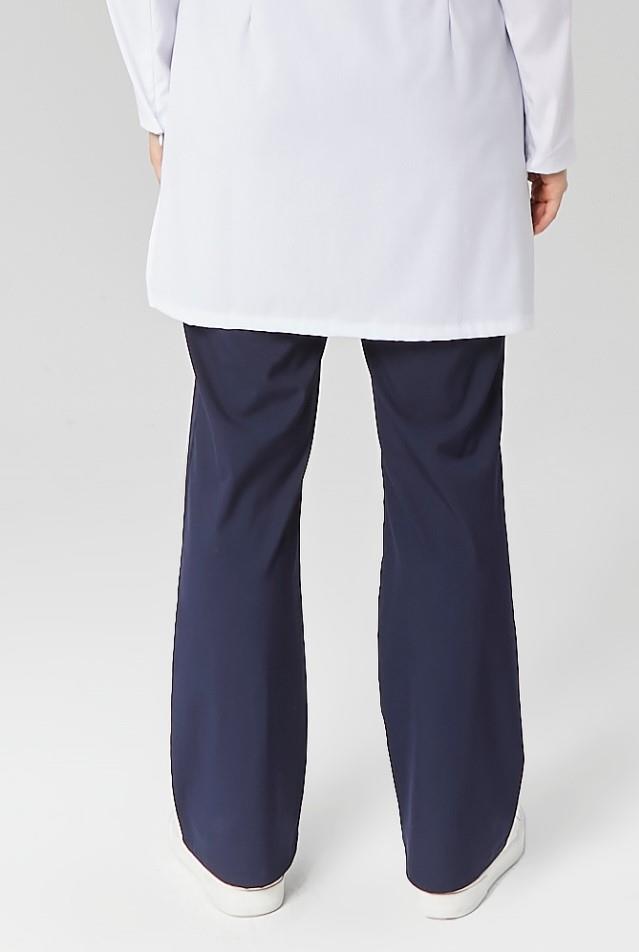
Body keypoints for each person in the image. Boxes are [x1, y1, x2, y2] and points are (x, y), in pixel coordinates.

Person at [105, 0, 575, 919]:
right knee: (445, 479)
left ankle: (234, 849)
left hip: (246, 104)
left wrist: (164, 100)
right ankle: (456, 847)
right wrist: (546, 127)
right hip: (435, 109)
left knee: (240, 484)